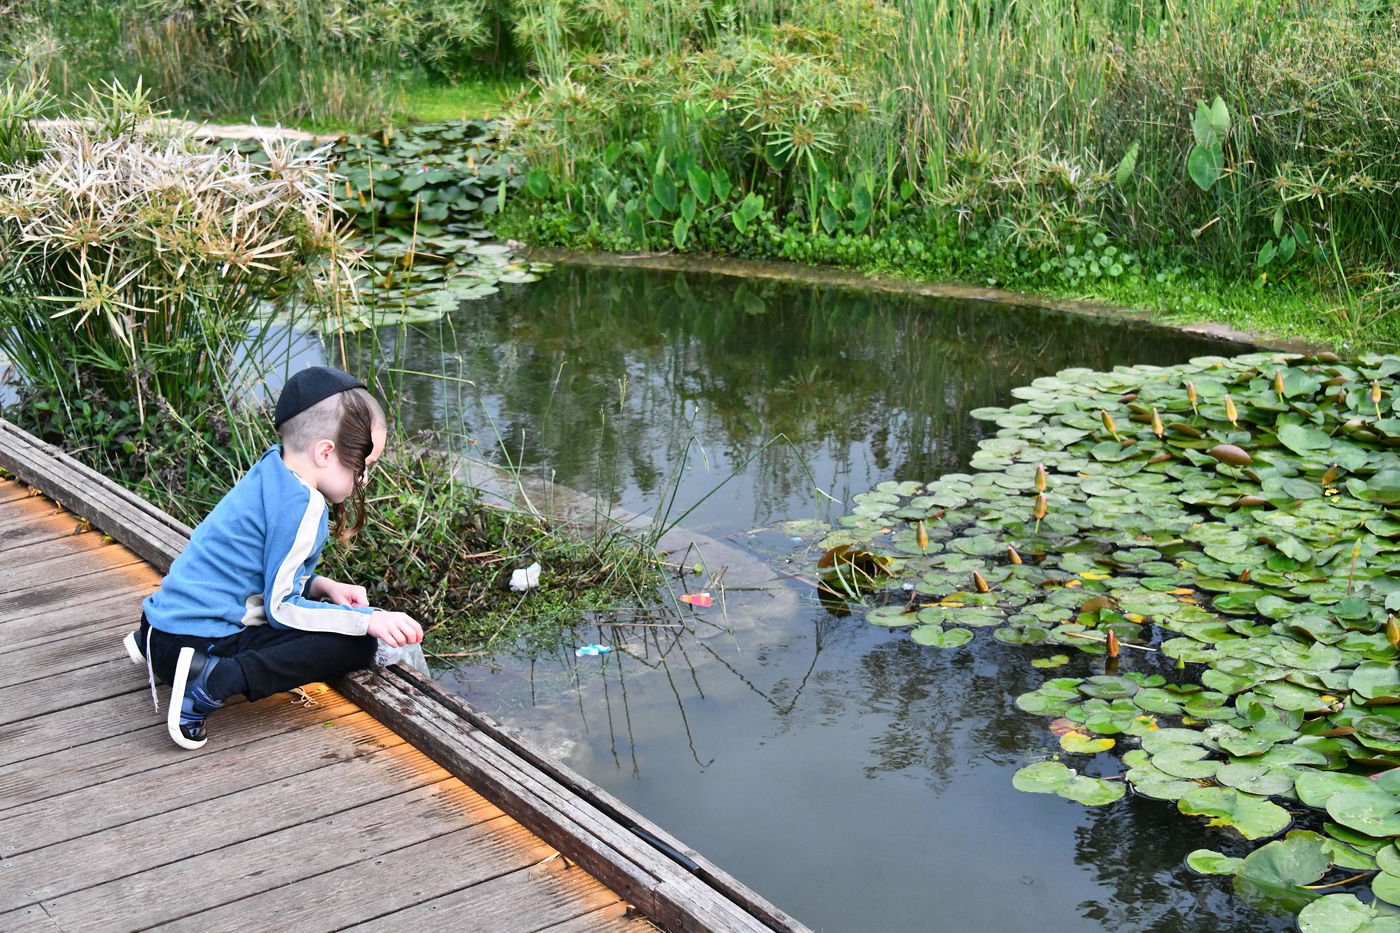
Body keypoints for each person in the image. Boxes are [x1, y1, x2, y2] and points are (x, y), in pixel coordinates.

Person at [123, 365, 424, 750]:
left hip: (158, 626)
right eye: (364, 466)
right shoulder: (303, 506)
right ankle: (210, 682)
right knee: (353, 645)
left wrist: (322, 585)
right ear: (325, 452)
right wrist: (367, 620)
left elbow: (257, 568)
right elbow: (280, 608)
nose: (364, 480)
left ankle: (159, 648)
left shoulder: (272, 468)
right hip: (192, 644)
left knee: (344, 626)